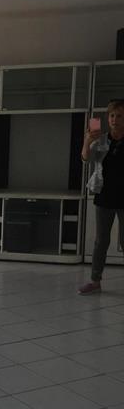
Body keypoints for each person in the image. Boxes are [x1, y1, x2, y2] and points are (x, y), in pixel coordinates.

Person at [79, 98, 124, 294]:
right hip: (104, 196)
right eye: (112, 115)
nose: (115, 119)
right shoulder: (102, 140)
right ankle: (95, 281)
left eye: (119, 116)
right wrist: (87, 141)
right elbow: (86, 159)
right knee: (101, 241)